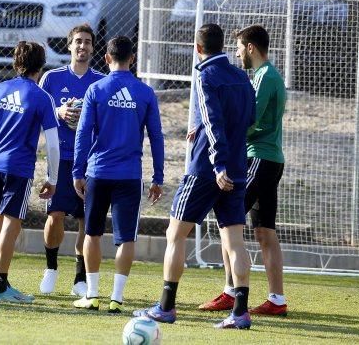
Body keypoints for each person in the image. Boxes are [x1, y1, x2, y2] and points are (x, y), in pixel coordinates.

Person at [134, 23, 256, 329]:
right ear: (223, 45)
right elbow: (248, 119)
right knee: (235, 242)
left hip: (208, 170)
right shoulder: (242, 77)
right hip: (239, 167)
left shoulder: (204, 75)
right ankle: (240, 313)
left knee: (175, 234)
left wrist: (218, 165)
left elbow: (214, 121)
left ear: (197, 48)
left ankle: (165, 307)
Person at [72, 36, 165, 314]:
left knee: (92, 233)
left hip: (98, 172)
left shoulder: (96, 89)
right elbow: (156, 136)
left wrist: (78, 170)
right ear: (132, 59)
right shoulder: (145, 92)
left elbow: (83, 132)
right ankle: (117, 298)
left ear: (107, 59)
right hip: (129, 176)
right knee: (126, 238)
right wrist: (158, 177)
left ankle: (92, 294)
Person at [199, 24, 288, 316]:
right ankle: (277, 299)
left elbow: (250, 119)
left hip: (259, 158)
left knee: (229, 222)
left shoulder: (265, 77)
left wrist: (222, 139)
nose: (236, 53)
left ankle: (230, 292)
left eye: (238, 47)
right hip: (271, 159)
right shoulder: (269, 75)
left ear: (250, 48)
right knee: (265, 232)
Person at [0, 41, 59, 304]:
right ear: (41, 64)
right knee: (11, 225)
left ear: (16, 61)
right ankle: (0, 287)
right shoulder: (41, 97)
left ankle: (0, 282)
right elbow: (53, 143)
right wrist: (54, 178)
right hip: (18, 168)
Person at [38, 24, 105, 297]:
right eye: (78, 41)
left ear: (92, 47)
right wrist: (59, 111)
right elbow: (39, 111)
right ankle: (51, 268)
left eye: (87, 42)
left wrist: (87, 122)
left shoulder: (101, 81)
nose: (82, 46)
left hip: (90, 161)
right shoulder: (51, 78)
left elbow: (107, 119)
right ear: (69, 45)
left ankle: (79, 277)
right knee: (55, 216)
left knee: (84, 220)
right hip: (60, 157)